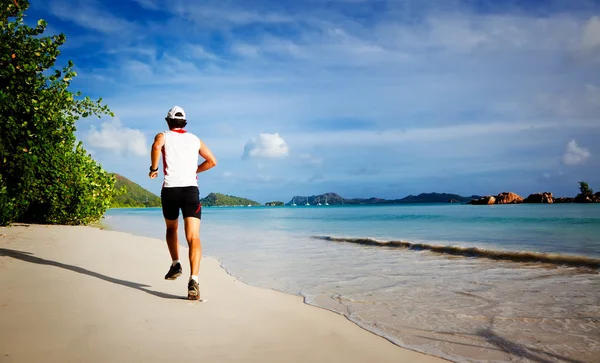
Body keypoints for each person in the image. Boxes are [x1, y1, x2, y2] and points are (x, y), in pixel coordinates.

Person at [149, 106, 217, 300]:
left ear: (168, 121)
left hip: (170, 190)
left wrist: (154, 168)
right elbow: (212, 161)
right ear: (184, 122)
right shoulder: (195, 139)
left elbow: (156, 147)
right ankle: (194, 280)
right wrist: (194, 170)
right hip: (190, 191)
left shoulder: (163, 135)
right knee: (193, 237)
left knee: (172, 229)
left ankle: (176, 263)